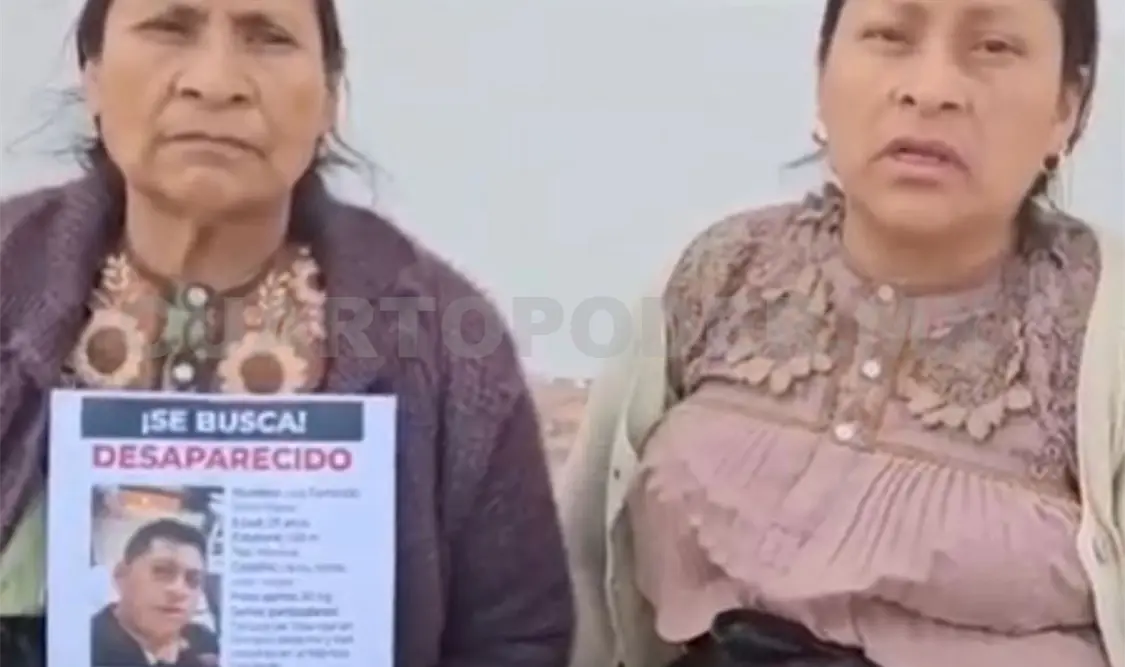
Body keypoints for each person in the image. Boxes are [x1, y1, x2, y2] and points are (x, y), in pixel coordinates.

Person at [0, 1, 574, 666]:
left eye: (268, 37)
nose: (215, 82)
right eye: (169, 27)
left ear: (329, 99)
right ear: (94, 77)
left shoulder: (444, 338)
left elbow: (516, 638)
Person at [559, 0, 1124, 666]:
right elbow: (576, 573)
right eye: (888, 35)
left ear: (1066, 108)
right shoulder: (718, 271)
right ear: (822, 77)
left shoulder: (1100, 328)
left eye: (993, 47)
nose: (931, 89)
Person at [91, 519, 219, 667]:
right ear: (121, 574)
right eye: (162, 572)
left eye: (193, 579)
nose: (179, 590)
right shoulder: (85, 645)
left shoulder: (206, 645)